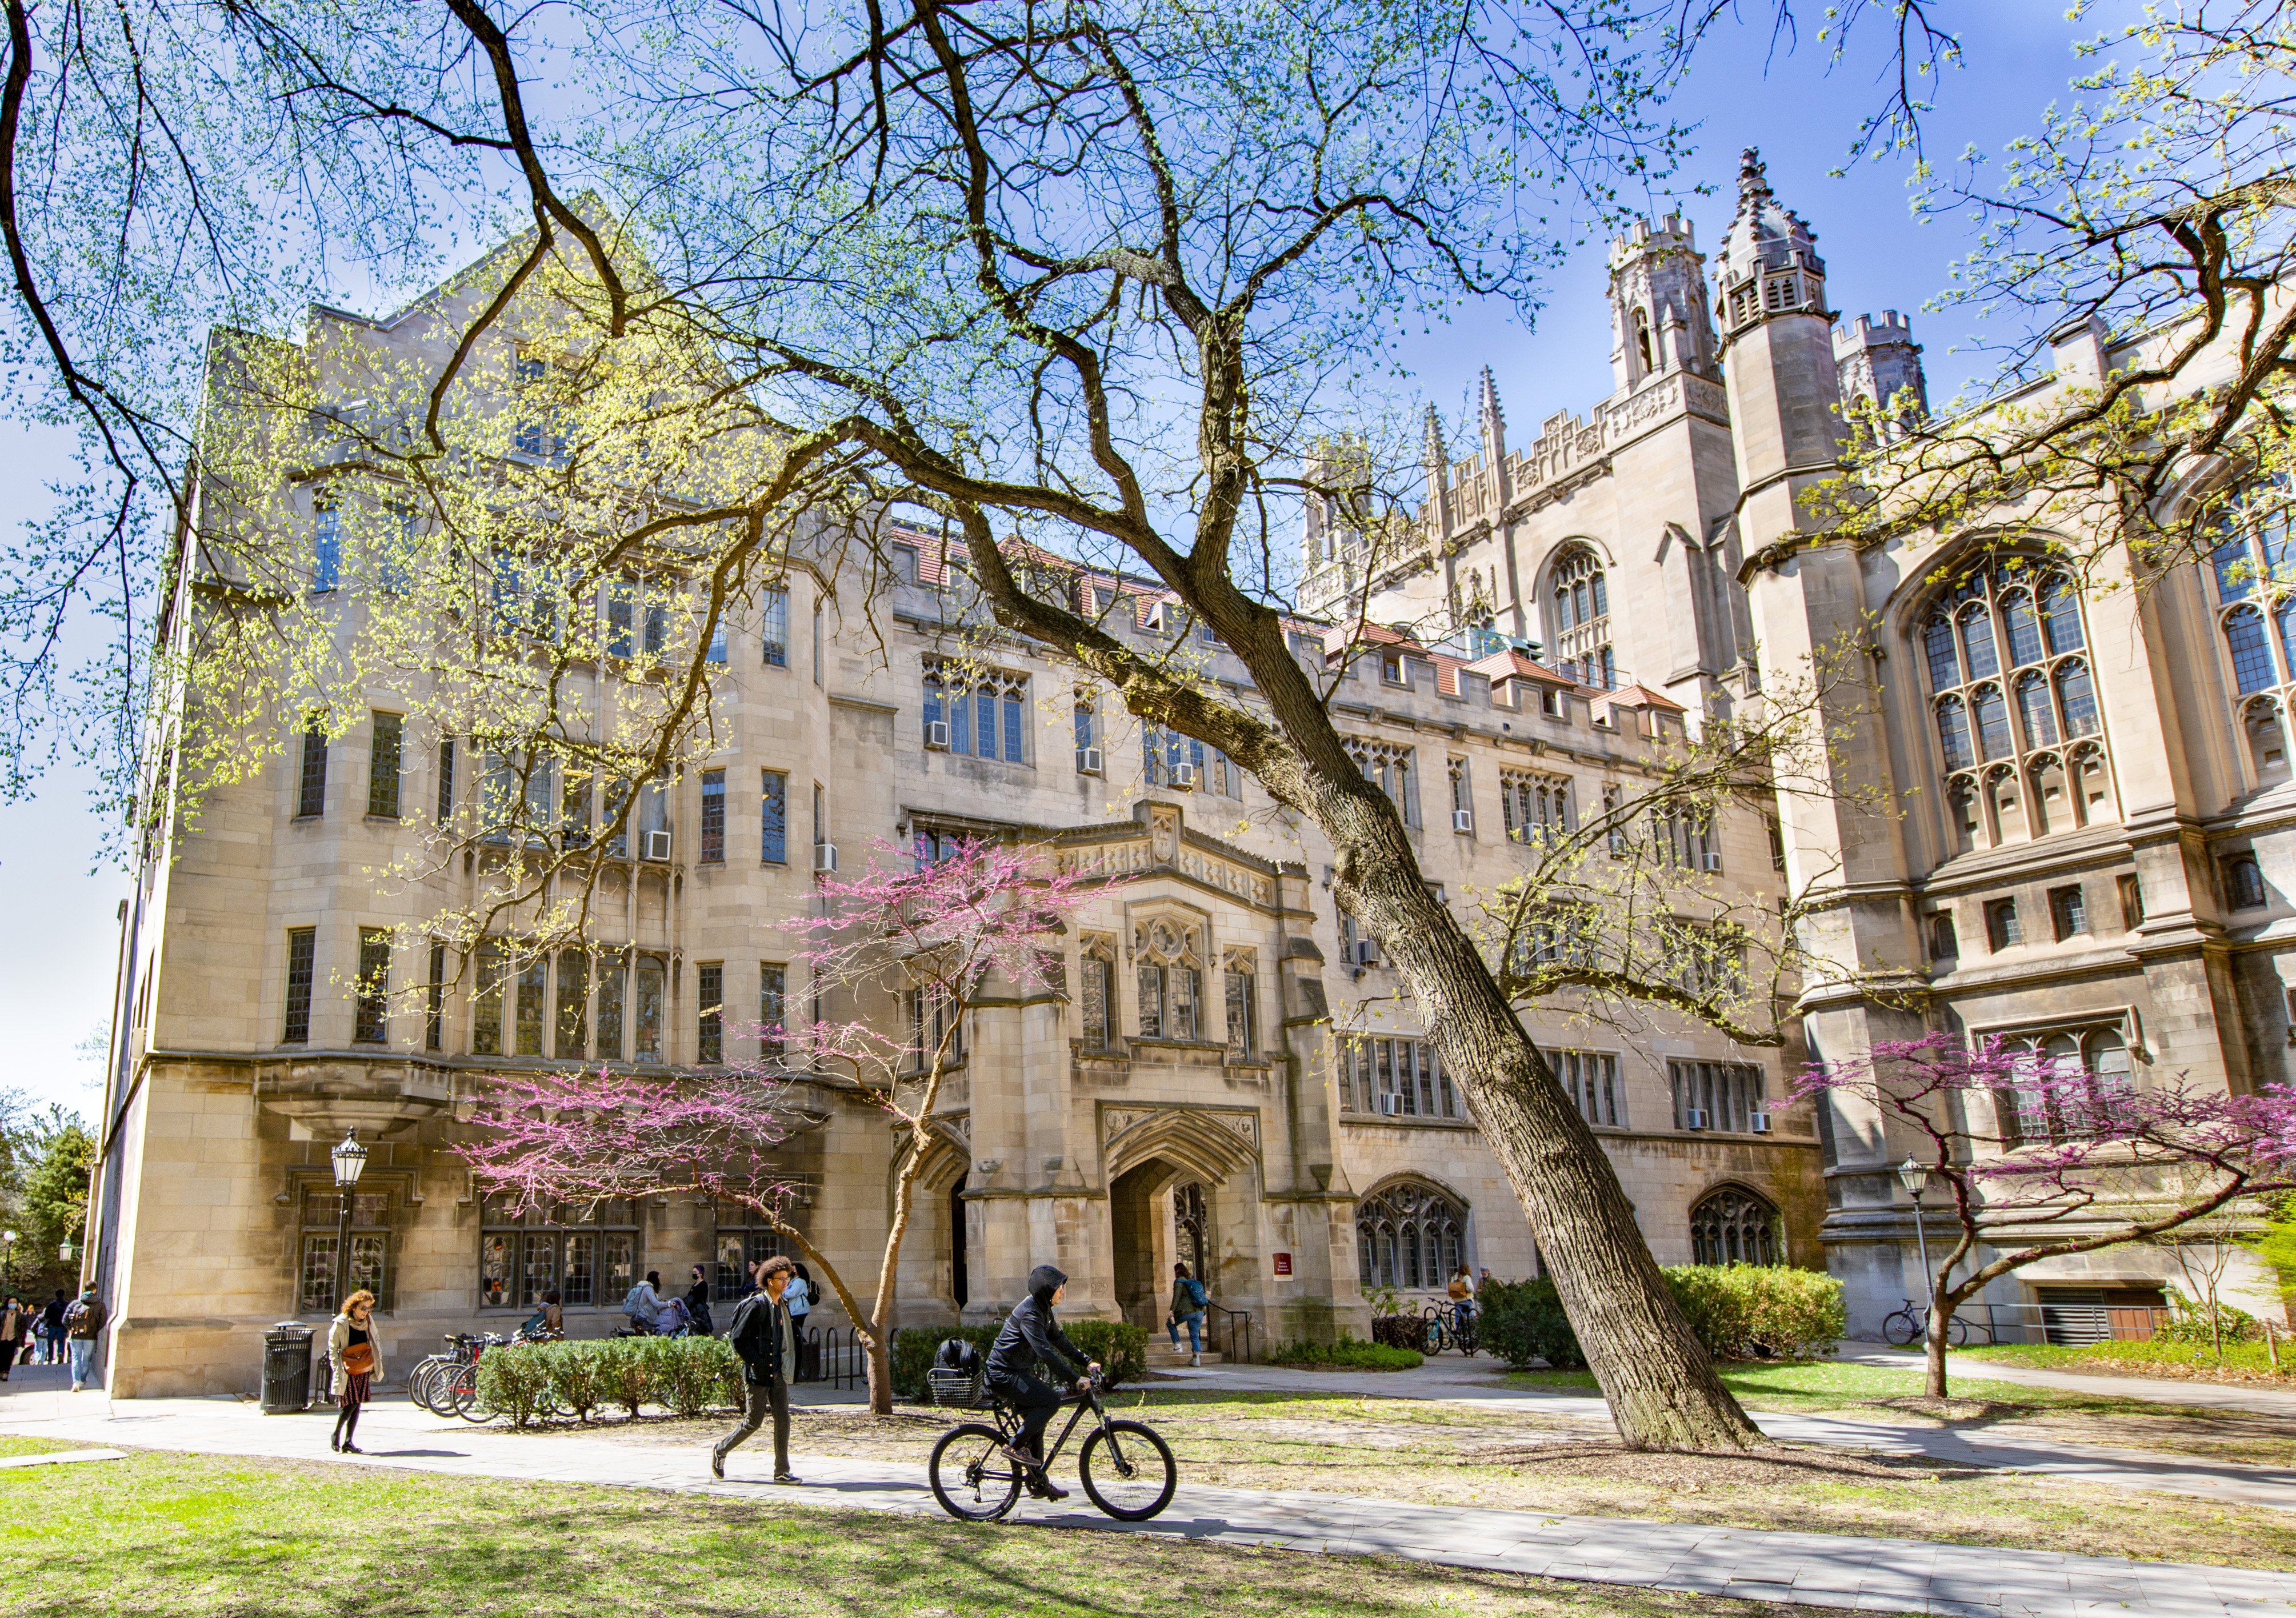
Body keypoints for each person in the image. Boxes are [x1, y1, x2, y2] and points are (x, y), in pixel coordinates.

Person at [986, 1264, 1098, 1501]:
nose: (1063, 1292)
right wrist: (1075, 1378)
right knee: (1051, 1401)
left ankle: (1038, 1482)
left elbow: (1058, 1339)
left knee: (1037, 1423)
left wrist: (1086, 1361)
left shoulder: (1044, 1309)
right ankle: (1014, 1446)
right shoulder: (1030, 1312)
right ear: (1046, 1290)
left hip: (1018, 1371)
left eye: (1063, 1287)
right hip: (1002, 1373)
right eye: (1059, 1288)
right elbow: (1045, 1352)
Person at [714, 1255, 799, 1483]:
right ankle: (721, 1450)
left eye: (787, 1278)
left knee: (783, 1420)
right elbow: (739, 1339)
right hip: (759, 1374)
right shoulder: (756, 1305)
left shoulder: (781, 1305)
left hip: (778, 1373)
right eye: (781, 1279)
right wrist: (756, 1362)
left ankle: (782, 1471)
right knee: (754, 1421)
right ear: (769, 1280)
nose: (785, 1282)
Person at [327, 1288, 381, 1454]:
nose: (366, 1312)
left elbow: (376, 1340)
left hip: (363, 1367)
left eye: (369, 1309)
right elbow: (333, 1349)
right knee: (350, 1403)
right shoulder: (341, 1323)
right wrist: (338, 1369)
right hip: (348, 1370)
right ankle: (336, 1433)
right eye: (363, 1308)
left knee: (357, 1404)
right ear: (354, 1307)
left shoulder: (369, 1322)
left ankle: (349, 1441)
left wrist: (375, 1361)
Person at [62, 1285, 105, 1391]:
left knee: (76, 1358)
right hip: (90, 1337)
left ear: (84, 1290)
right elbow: (103, 1320)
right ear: (95, 1290)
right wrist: (95, 1330)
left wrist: (71, 1329)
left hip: (76, 1335)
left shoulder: (75, 1303)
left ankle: (76, 1382)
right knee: (86, 1359)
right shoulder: (99, 1304)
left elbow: (64, 1320)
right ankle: (82, 1380)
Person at [1165, 1262, 1207, 1367]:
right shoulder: (1191, 1281)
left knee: (1170, 1323)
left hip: (1188, 1311)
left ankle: (1177, 1345)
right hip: (1200, 1311)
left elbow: (1177, 1297)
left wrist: (1172, 1310)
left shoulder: (1179, 1282)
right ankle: (1196, 1360)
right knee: (1195, 1335)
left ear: (1177, 1271)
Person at [622, 1269, 662, 1333]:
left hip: (645, 1318)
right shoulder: (648, 1289)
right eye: (659, 1277)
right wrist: (668, 1303)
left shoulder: (650, 1288)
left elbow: (650, 1302)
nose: (660, 1279)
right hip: (644, 1318)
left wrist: (661, 1302)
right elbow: (655, 1303)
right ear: (655, 1278)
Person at [684, 1265, 715, 1337]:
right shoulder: (695, 1284)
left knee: (701, 1326)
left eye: (695, 1272)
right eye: (693, 1272)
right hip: (693, 1309)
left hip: (699, 1310)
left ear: (701, 1274)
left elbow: (698, 1297)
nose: (694, 1274)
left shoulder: (703, 1284)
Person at [1446, 1263, 1477, 1336]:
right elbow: (1470, 1288)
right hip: (1466, 1301)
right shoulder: (1466, 1277)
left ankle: (1459, 1335)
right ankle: (1470, 1336)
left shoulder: (1454, 1277)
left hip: (1457, 1301)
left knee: (1458, 1319)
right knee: (1469, 1319)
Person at [39, 1291, 66, 1366]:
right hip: (61, 1325)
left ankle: (50, 1359)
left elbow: (47, 1315)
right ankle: (60, 1352)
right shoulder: (66, 1304)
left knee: (50, 1342)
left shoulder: (52, 1305)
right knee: (61, 1341)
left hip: (52, 1325)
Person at [0, 1295, 21, 1383]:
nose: (13, 1304)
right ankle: (1, 1371)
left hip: (12, 1339)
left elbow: (22, 1329)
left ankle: (6, 1373)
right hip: (2, 1338)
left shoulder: (20, 1316)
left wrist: (21, 1341)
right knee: (1, 1356)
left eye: (14, 1303)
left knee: (9, 1357)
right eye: (11, 1303)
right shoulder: (3, 1314)